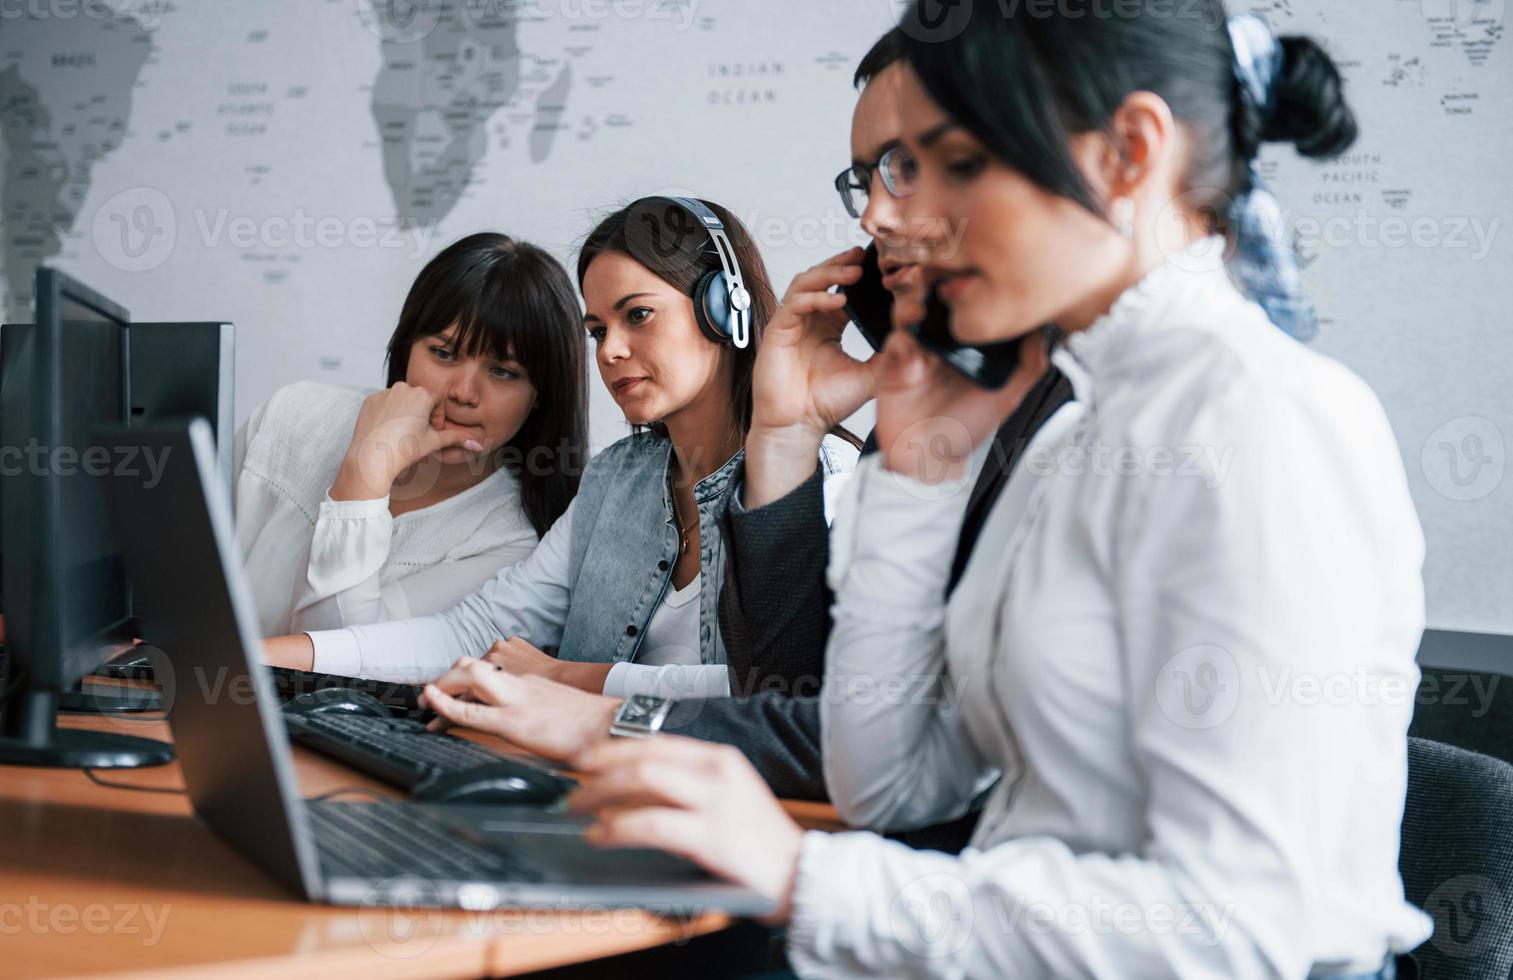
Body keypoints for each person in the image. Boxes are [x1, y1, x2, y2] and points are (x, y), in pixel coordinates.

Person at [478, 5, 1432, 977]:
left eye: (945, 162)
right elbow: (888, 782)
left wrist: (806, 877)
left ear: (1129, 152)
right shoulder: (1078, 426)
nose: (882, 215)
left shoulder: (1252, 419)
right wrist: (916, 470)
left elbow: (1238, 925)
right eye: (887, 172)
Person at [413, 30, 1073, 808]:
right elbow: (820, 712)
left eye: (911, 168)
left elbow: (847, 741)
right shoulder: (639, 478)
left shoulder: (1088, 429)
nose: (875, 221)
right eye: (868, 180)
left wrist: (595, 708)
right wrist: (784, 436)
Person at [263, 197, 857, 701]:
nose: (610, 351)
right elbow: (474, 633)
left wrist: (569, 678)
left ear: (725, 310)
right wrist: (272, 656)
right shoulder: (615, 482)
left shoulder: (822, 477)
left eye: (638, 316)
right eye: (598, 330)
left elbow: (786, 691)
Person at [235, 233, 587, 635]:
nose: (462, 393)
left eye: (502, 372)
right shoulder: (293, 413)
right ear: (406, 350)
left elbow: (338, 659)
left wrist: (366, 471)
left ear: (540, 395)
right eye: (443, 353)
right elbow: (176, 567)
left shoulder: (510, 548)